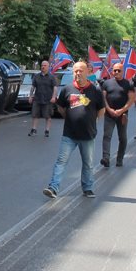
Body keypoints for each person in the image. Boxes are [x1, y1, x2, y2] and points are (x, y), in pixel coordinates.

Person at [44, 61, 105, 199]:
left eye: (81, 70)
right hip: (69, 134)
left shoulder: (95, 91)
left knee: (88, 164)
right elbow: (60, 107)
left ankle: (88, 188)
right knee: (61, 162)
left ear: (88, 73)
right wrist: (69, 117)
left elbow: (101, 109)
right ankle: (53, 187)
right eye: (75, 71)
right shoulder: (67, 89)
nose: (78, 73)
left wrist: (94, 120)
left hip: (88, 134)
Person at [100, 62, 135, 167]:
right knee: (107, 136)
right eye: (114, 70)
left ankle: (119, 159)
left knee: (123, 138)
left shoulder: (129, 84)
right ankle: (106, 158)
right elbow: (103, 98)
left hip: (122, 115)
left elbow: (131, 100)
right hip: (109, 114)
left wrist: (121, 110)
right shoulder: (107, 83)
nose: (116, 72)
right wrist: (109, 109)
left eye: (119, 70)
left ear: (122, 71)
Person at [28, 60, 58, 137]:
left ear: (48, 67)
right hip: (37, 99)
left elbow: (55, 88)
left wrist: (54, 97)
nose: (43, 67)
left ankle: (47, 130)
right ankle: (34, 130)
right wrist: (30, 96)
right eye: (42, 65)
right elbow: (33, 87)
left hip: (48, 100)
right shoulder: (36, 76)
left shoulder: (52, 77)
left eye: (45, 65)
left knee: (47, 116)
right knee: (35, 115)